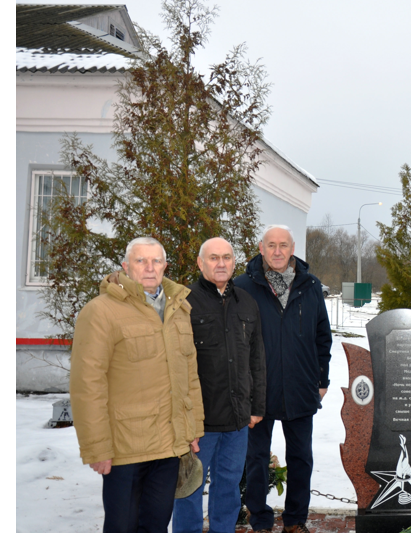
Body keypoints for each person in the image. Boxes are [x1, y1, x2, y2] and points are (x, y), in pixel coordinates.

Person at [70, 236, 204, 533]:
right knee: (122, 527)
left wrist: (191, 430)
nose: (149, 267)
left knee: (156, 525)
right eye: (141, 260)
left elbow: (189, 376)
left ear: (165, 266)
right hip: (124, 449)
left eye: (156, 261)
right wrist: (96, 448)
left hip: (168, 447)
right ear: (126, 266)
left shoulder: (179, 309)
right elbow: (87, 385)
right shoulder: (101, 312)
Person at [234, 225, 333, 533]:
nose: (277, 251)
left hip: (301, 386)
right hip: (257, 390)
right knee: (256, 458)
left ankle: (295, 520)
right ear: (261, 248)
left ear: (292, 249)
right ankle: (260, 519)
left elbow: (322, 336)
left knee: (301, 457)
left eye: (283, 245)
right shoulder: (243, 286)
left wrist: (322, 379)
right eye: (271, 245)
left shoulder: (311, 285)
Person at [172, 238, 266, 533]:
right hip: (199, 423)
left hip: (238, 421)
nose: (221, 263)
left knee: (227, 490)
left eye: (226, 257)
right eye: (214, 258)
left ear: (234, 262)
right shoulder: (185, 302)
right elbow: (174, 365)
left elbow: (257, 359)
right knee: (188, 489)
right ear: (200, 263)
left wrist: (256, 408)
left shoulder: (247, 303)